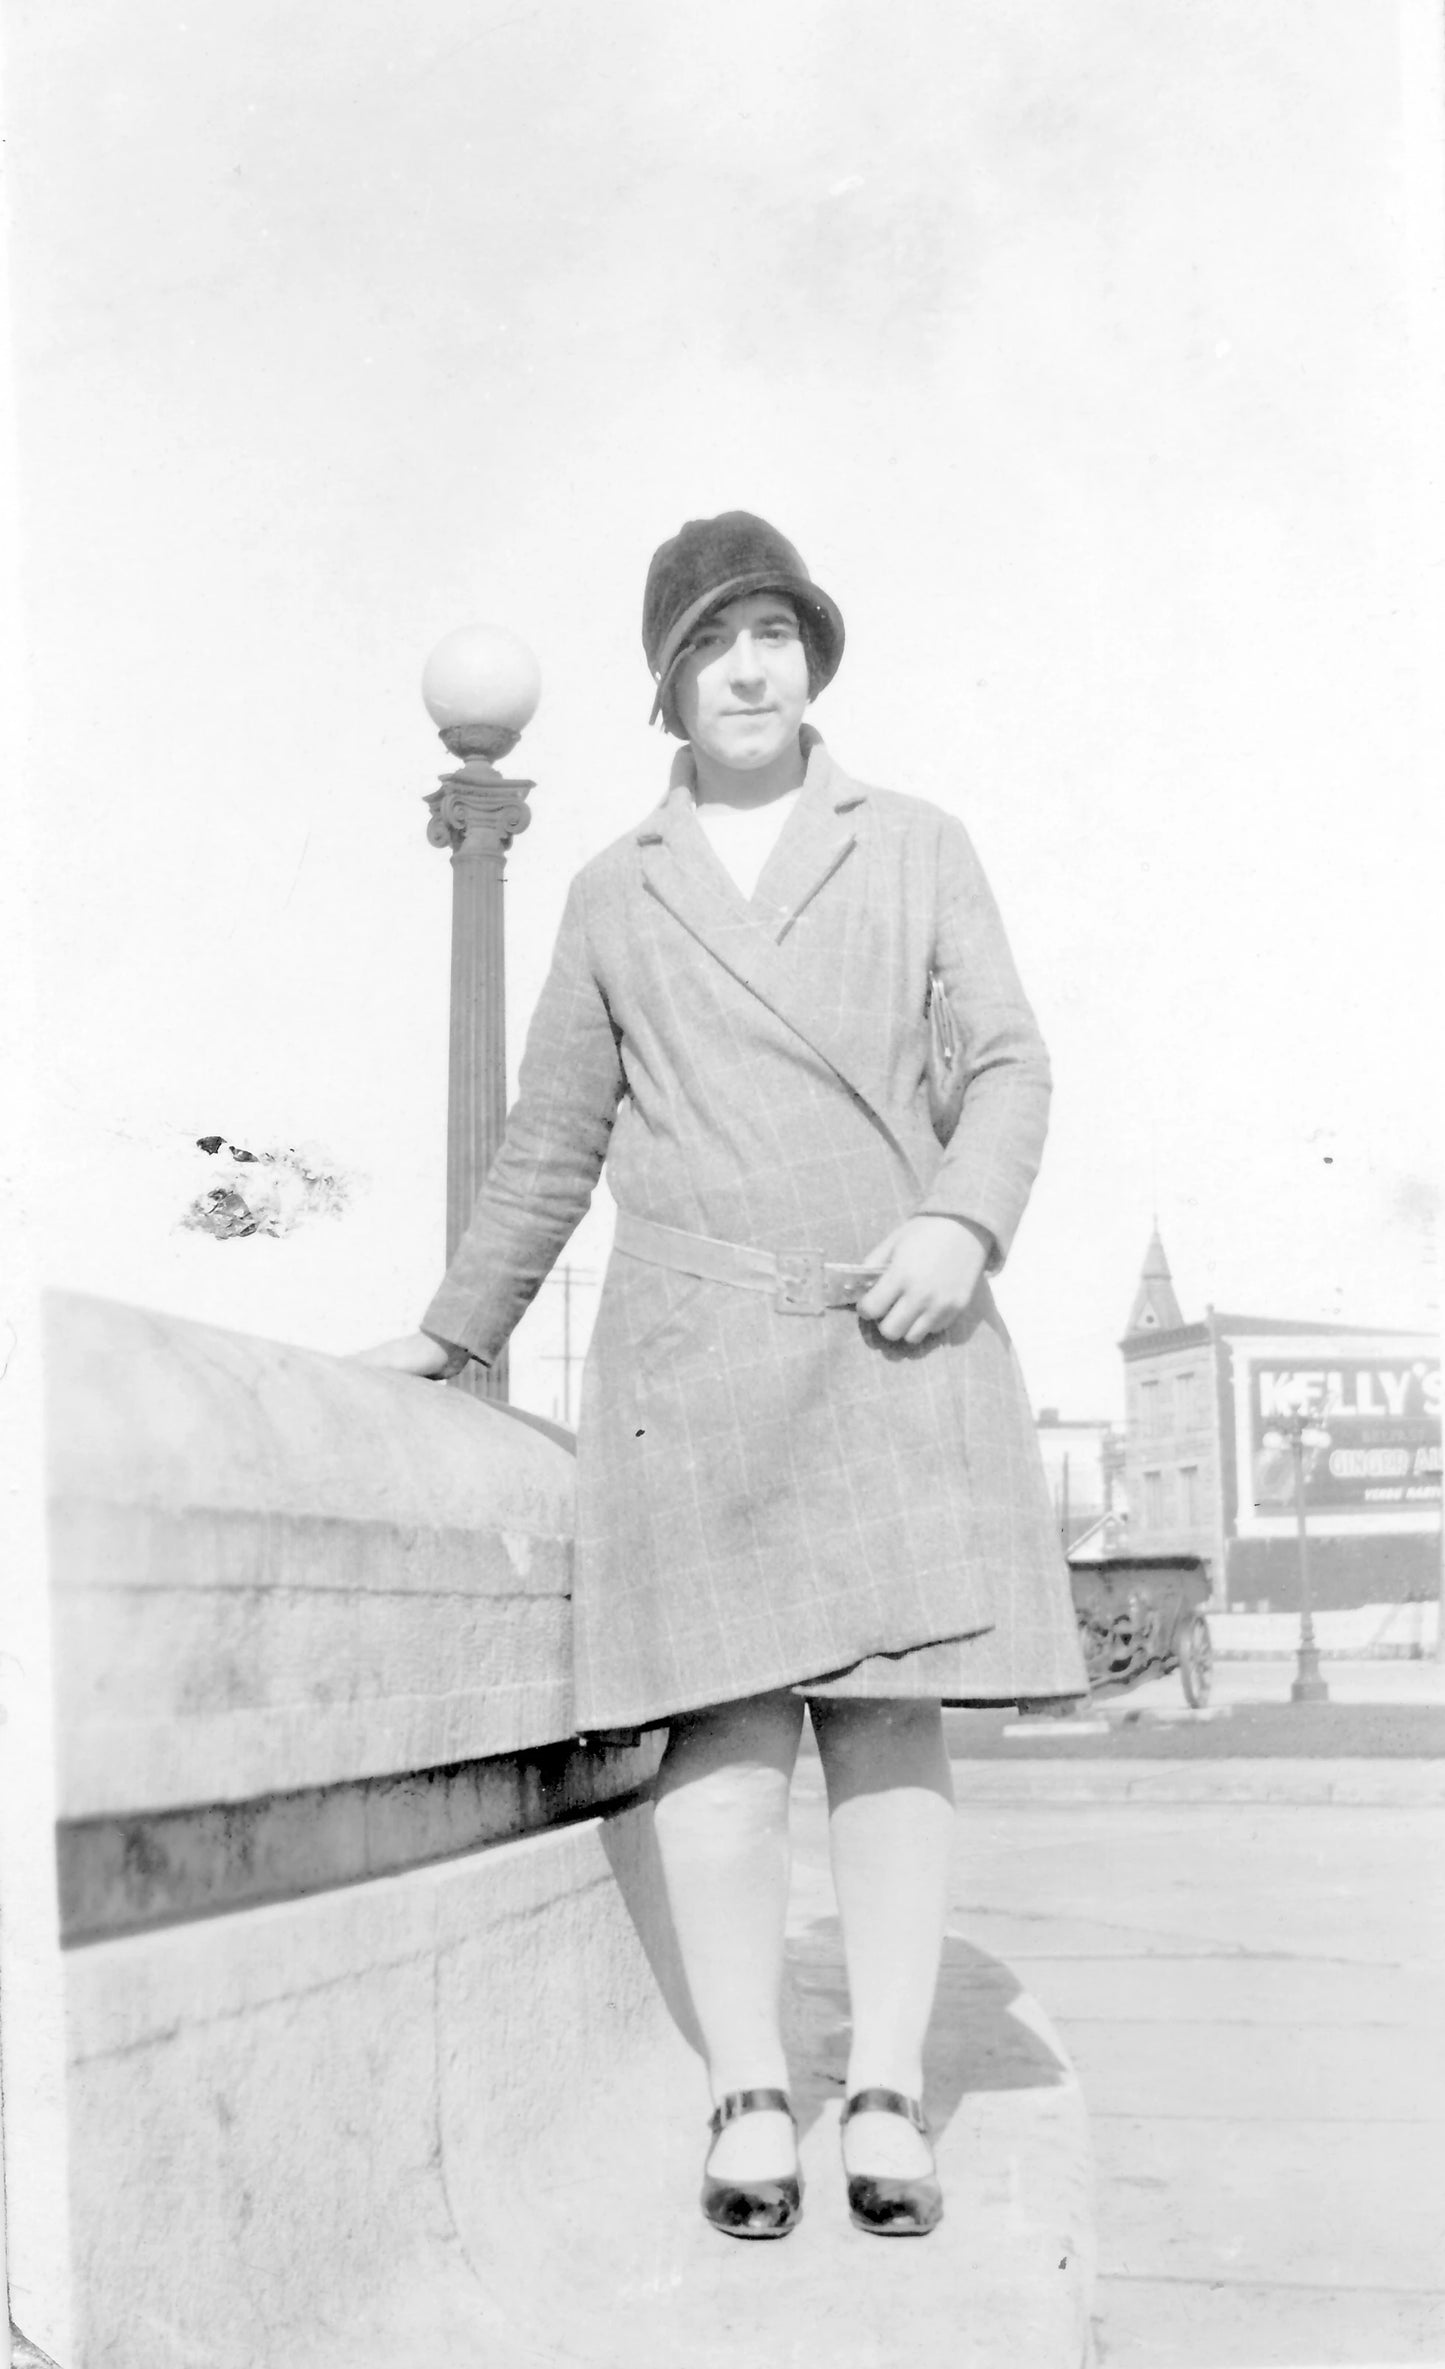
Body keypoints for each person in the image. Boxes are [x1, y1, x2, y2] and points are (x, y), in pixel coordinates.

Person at [359, 511, 1086, 2240]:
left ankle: (891, 2085)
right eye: (709, 642)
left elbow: (1006, 1063)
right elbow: (551, 1142)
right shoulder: (619, 889)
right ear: (667, 683)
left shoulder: (911, 844)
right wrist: (452, 1328)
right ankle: (750, 2084)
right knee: (726, 1730)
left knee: (887, 1720)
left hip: (893, 1340)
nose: (747, 666)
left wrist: (959, 1225)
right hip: (694, 1359)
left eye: (774, 633)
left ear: (811, 659)